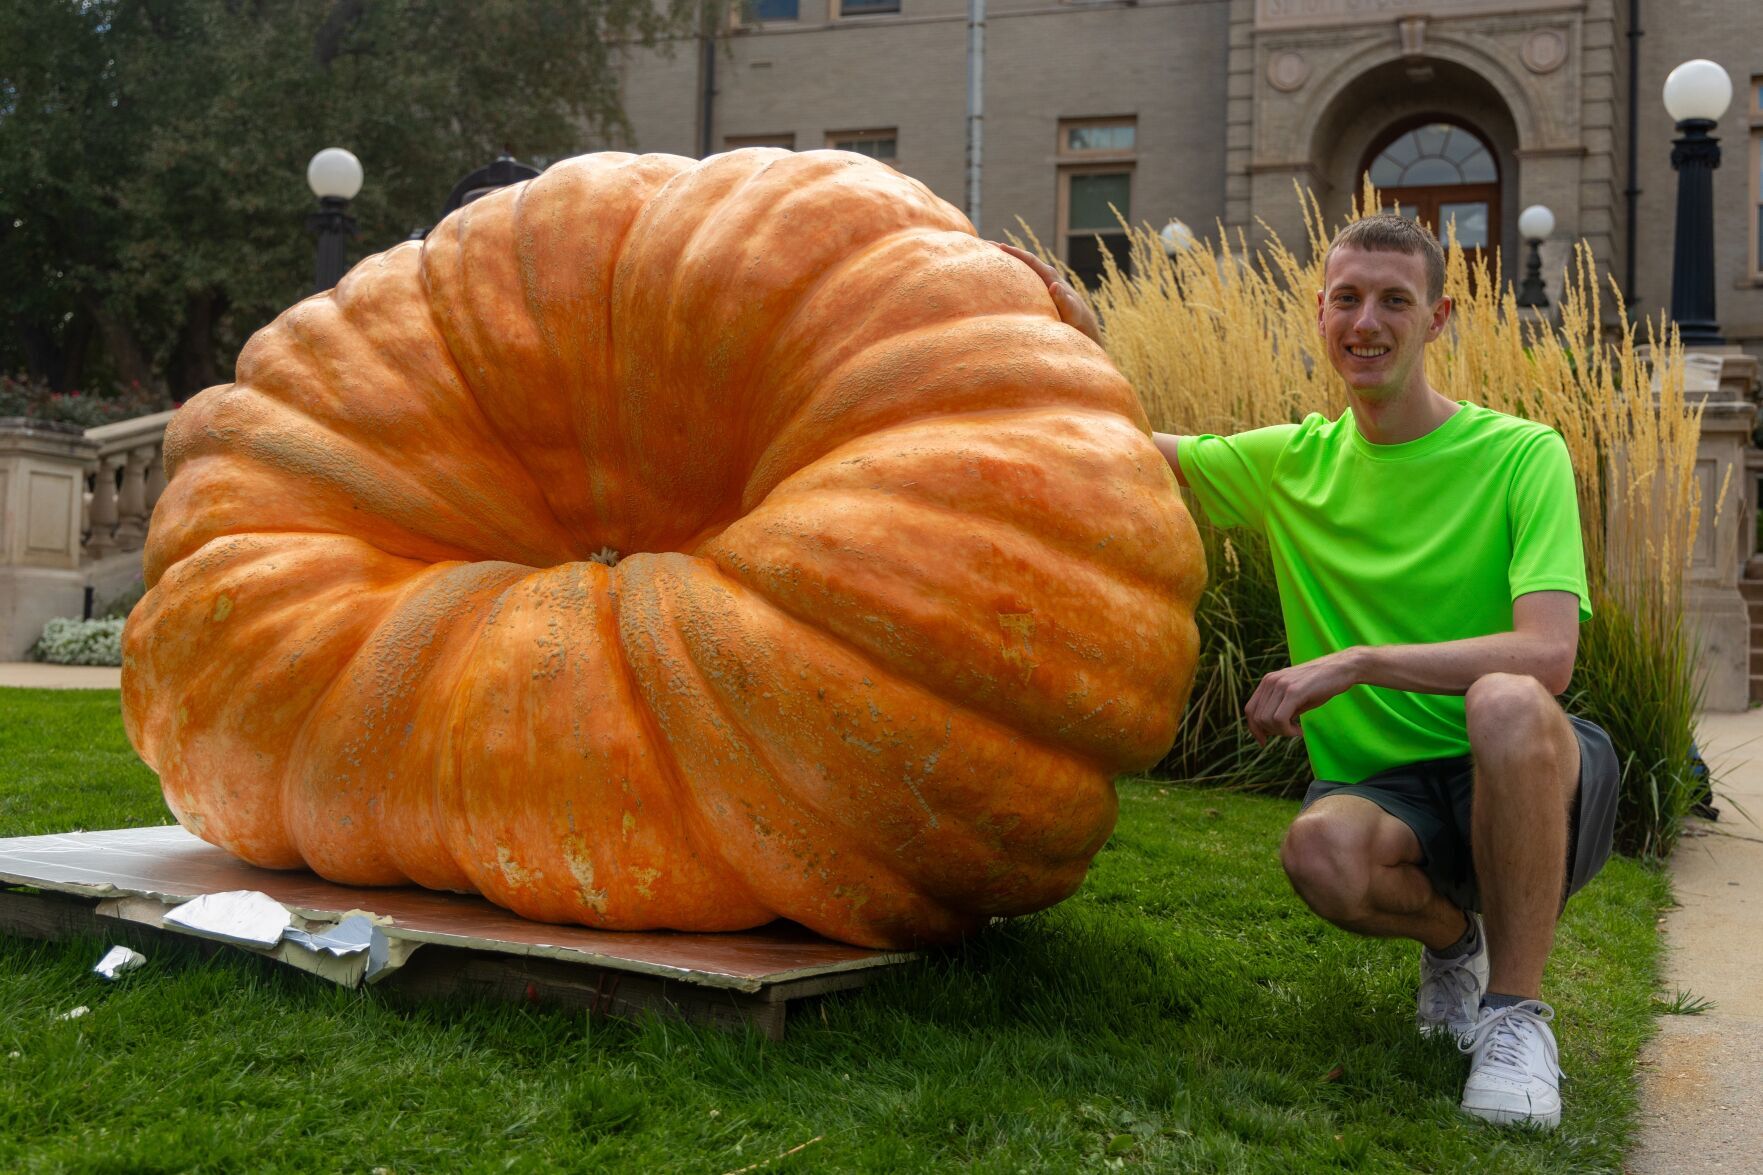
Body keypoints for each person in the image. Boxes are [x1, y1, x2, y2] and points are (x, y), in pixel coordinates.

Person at [998, 218, 1619, 1130]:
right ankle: (1455, 942)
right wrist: (1069, 328)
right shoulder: (1293, 460)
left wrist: (1358, 662)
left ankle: (1517, 1018)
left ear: (1438, 318)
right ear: (1319, 312)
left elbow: (1547, 655)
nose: (1366, 321)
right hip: (1382, 791)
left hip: (1523, 770)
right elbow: (1125, 438)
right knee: (1318, 853)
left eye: (1394, 300)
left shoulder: (1520, 454)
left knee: (1504, 701)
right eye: (1347, 298)